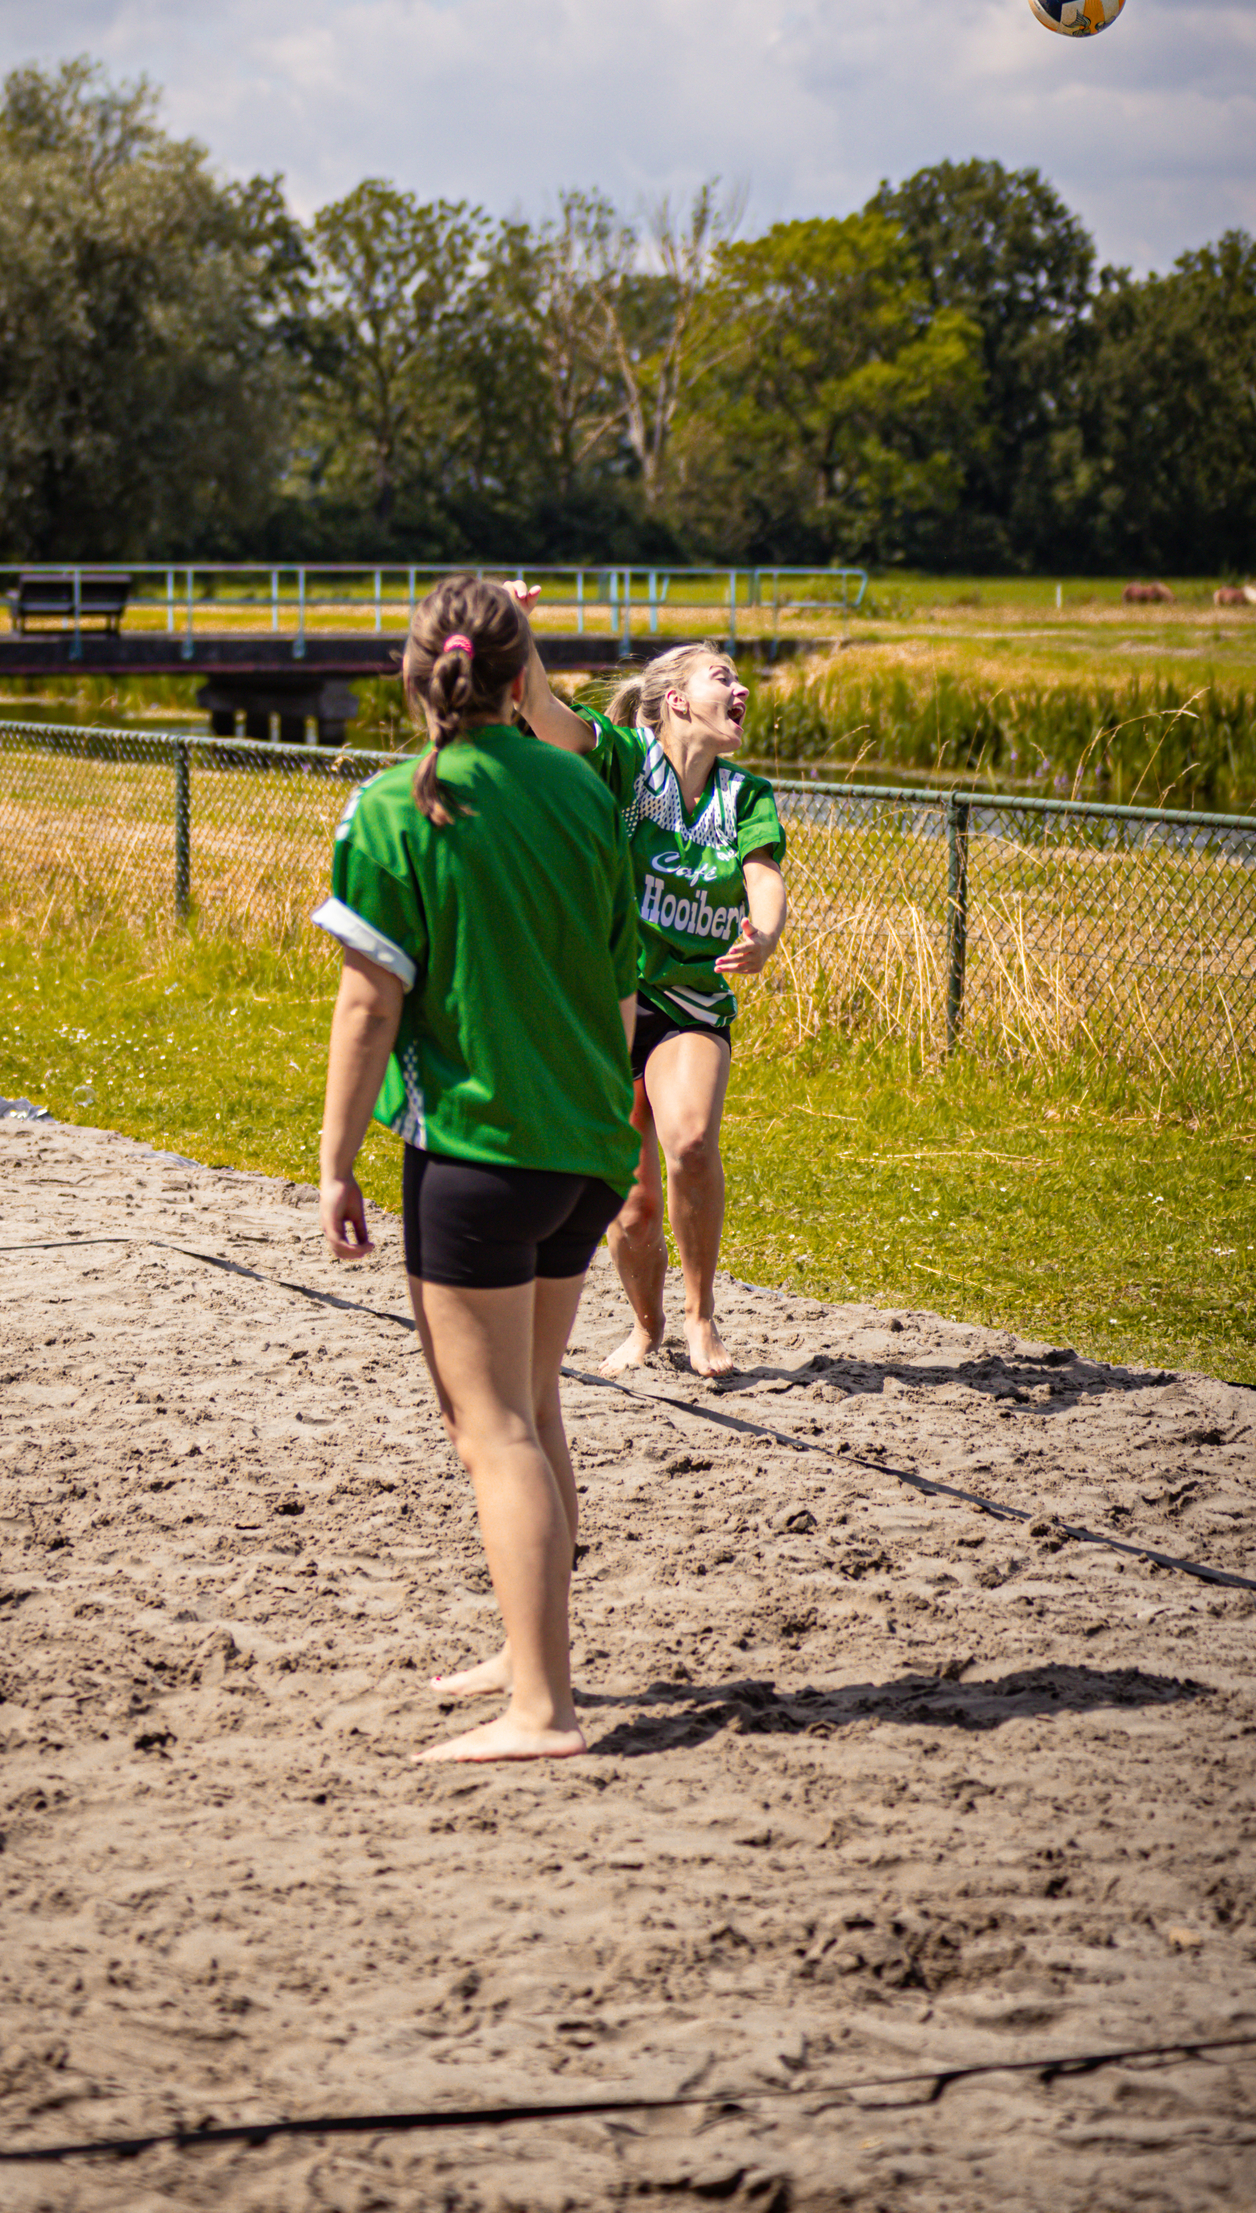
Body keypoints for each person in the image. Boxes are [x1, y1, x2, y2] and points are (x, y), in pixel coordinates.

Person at [312, 573, 639, 1764]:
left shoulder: (399, 804)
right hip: (587, 1148)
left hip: (479, 1155)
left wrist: (335, 1160)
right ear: (519, 678)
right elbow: (615, 988)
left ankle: (540, 1711)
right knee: (536, 1402)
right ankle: (530, 1648)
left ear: (411, 679)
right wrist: (614, 1129)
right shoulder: (583, 788)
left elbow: (367, 1005)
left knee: (490, 1426)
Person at [508, 597, 787, 1380]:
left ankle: (701, 1321)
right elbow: (540, 708)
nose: (739, 692)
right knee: (628, 1207)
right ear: (676, 701)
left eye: (739, 680)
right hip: (607, 1004)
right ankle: (647, 1326)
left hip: (689, 1003)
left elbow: (765, 881)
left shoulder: (747, 797)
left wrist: (762, 936)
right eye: (721, 677)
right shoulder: (626, 760)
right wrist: (514, 624)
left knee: (691, 1142)